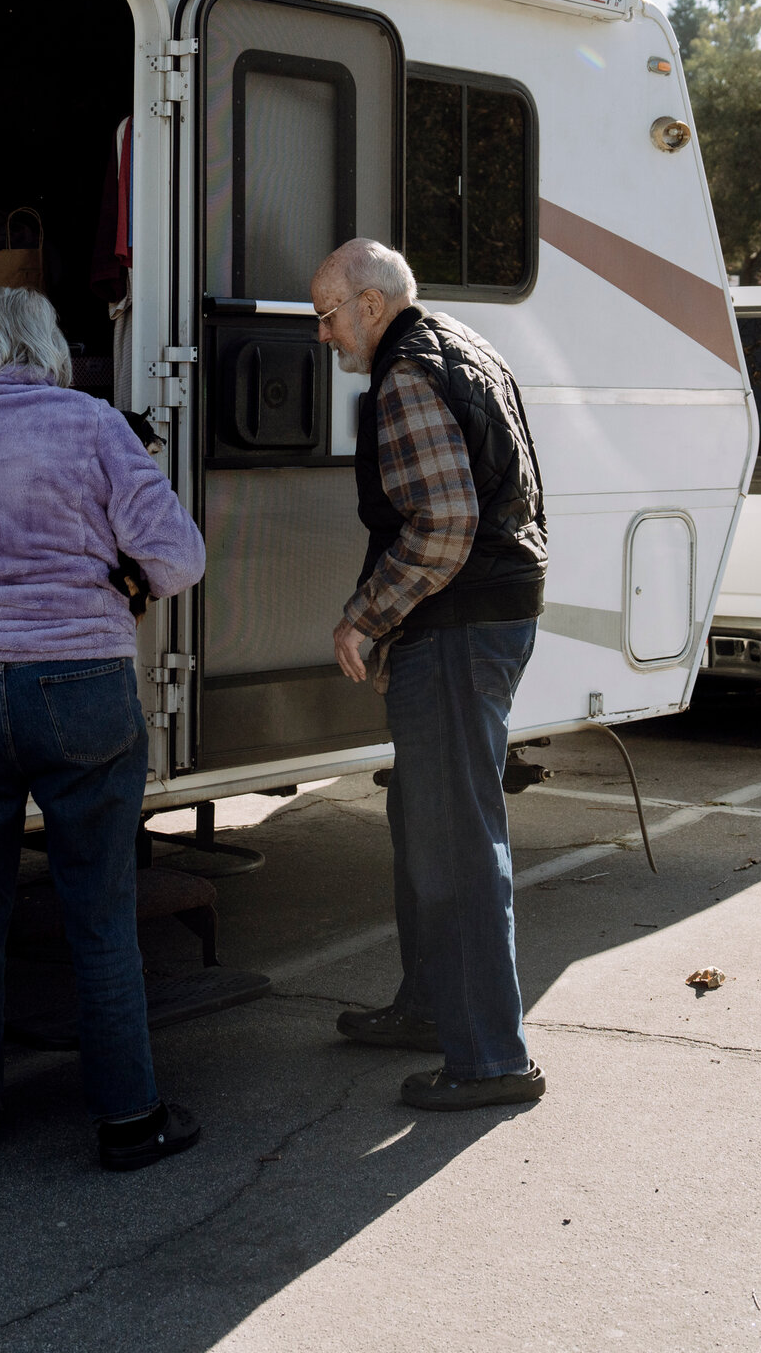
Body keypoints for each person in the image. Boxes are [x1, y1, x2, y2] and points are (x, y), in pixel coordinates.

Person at [0, 285, 207, 1170]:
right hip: (78, 687)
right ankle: (130, 1122)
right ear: (50, 349)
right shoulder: (94, 426)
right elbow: (179, 559)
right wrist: (121, 582)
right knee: (98, 913)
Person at [312, 239, 549, 1111]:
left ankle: (490, 1059)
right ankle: (430, 1008)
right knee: (428, 819)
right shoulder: (468, 345)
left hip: (459, 624)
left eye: (329, 315)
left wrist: (367, 616)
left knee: (454, 839)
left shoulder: (408, 374)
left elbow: (446, 524)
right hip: (487, 615)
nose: (326, 336)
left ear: (372, 304)